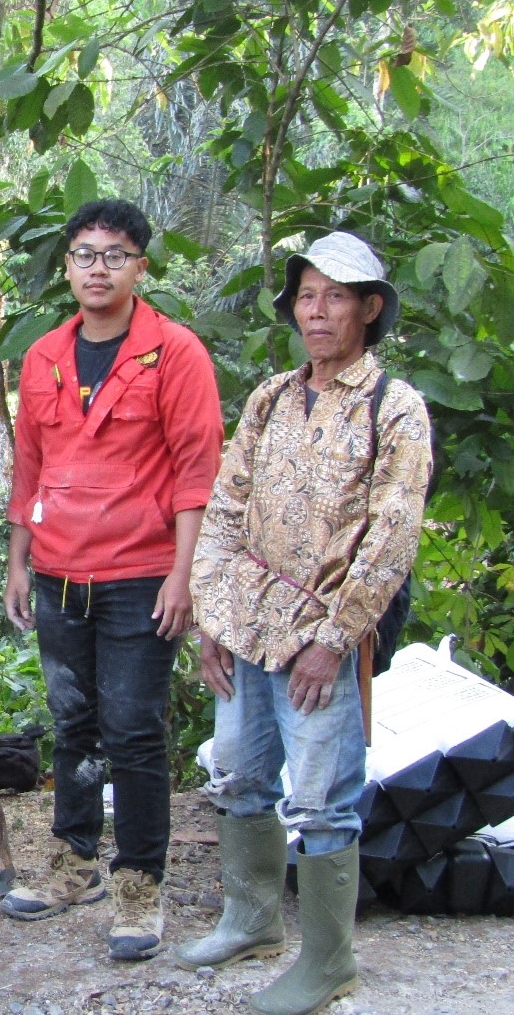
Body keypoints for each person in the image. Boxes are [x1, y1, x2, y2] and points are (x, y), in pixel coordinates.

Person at [177, 233, 431, 1015]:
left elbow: (391, 535)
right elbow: (223, 510)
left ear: (368, 309)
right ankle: (250, 921)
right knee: (238, 775)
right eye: (306, 297)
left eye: (335, 296)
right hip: (245, 625)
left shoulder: (394, 407)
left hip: (319, 634)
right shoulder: (270, 398)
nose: (316, 312)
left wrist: (332, 640)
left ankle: (328, 961)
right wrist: (209, 616)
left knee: (321, 798)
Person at [1, 199, 224, 960]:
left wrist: (182, 575)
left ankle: (138, 883)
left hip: (139, 574)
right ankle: (72, 862)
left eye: (114, 255)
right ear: (66, 267)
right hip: (60, 570)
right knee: (72, 728)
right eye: (84, 254)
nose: (98, 268)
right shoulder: (42, 357)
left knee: (131, 731)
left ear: (140, 267)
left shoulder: (176, 352)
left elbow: (197, 473)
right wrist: (17, 561)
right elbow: (28, 466)